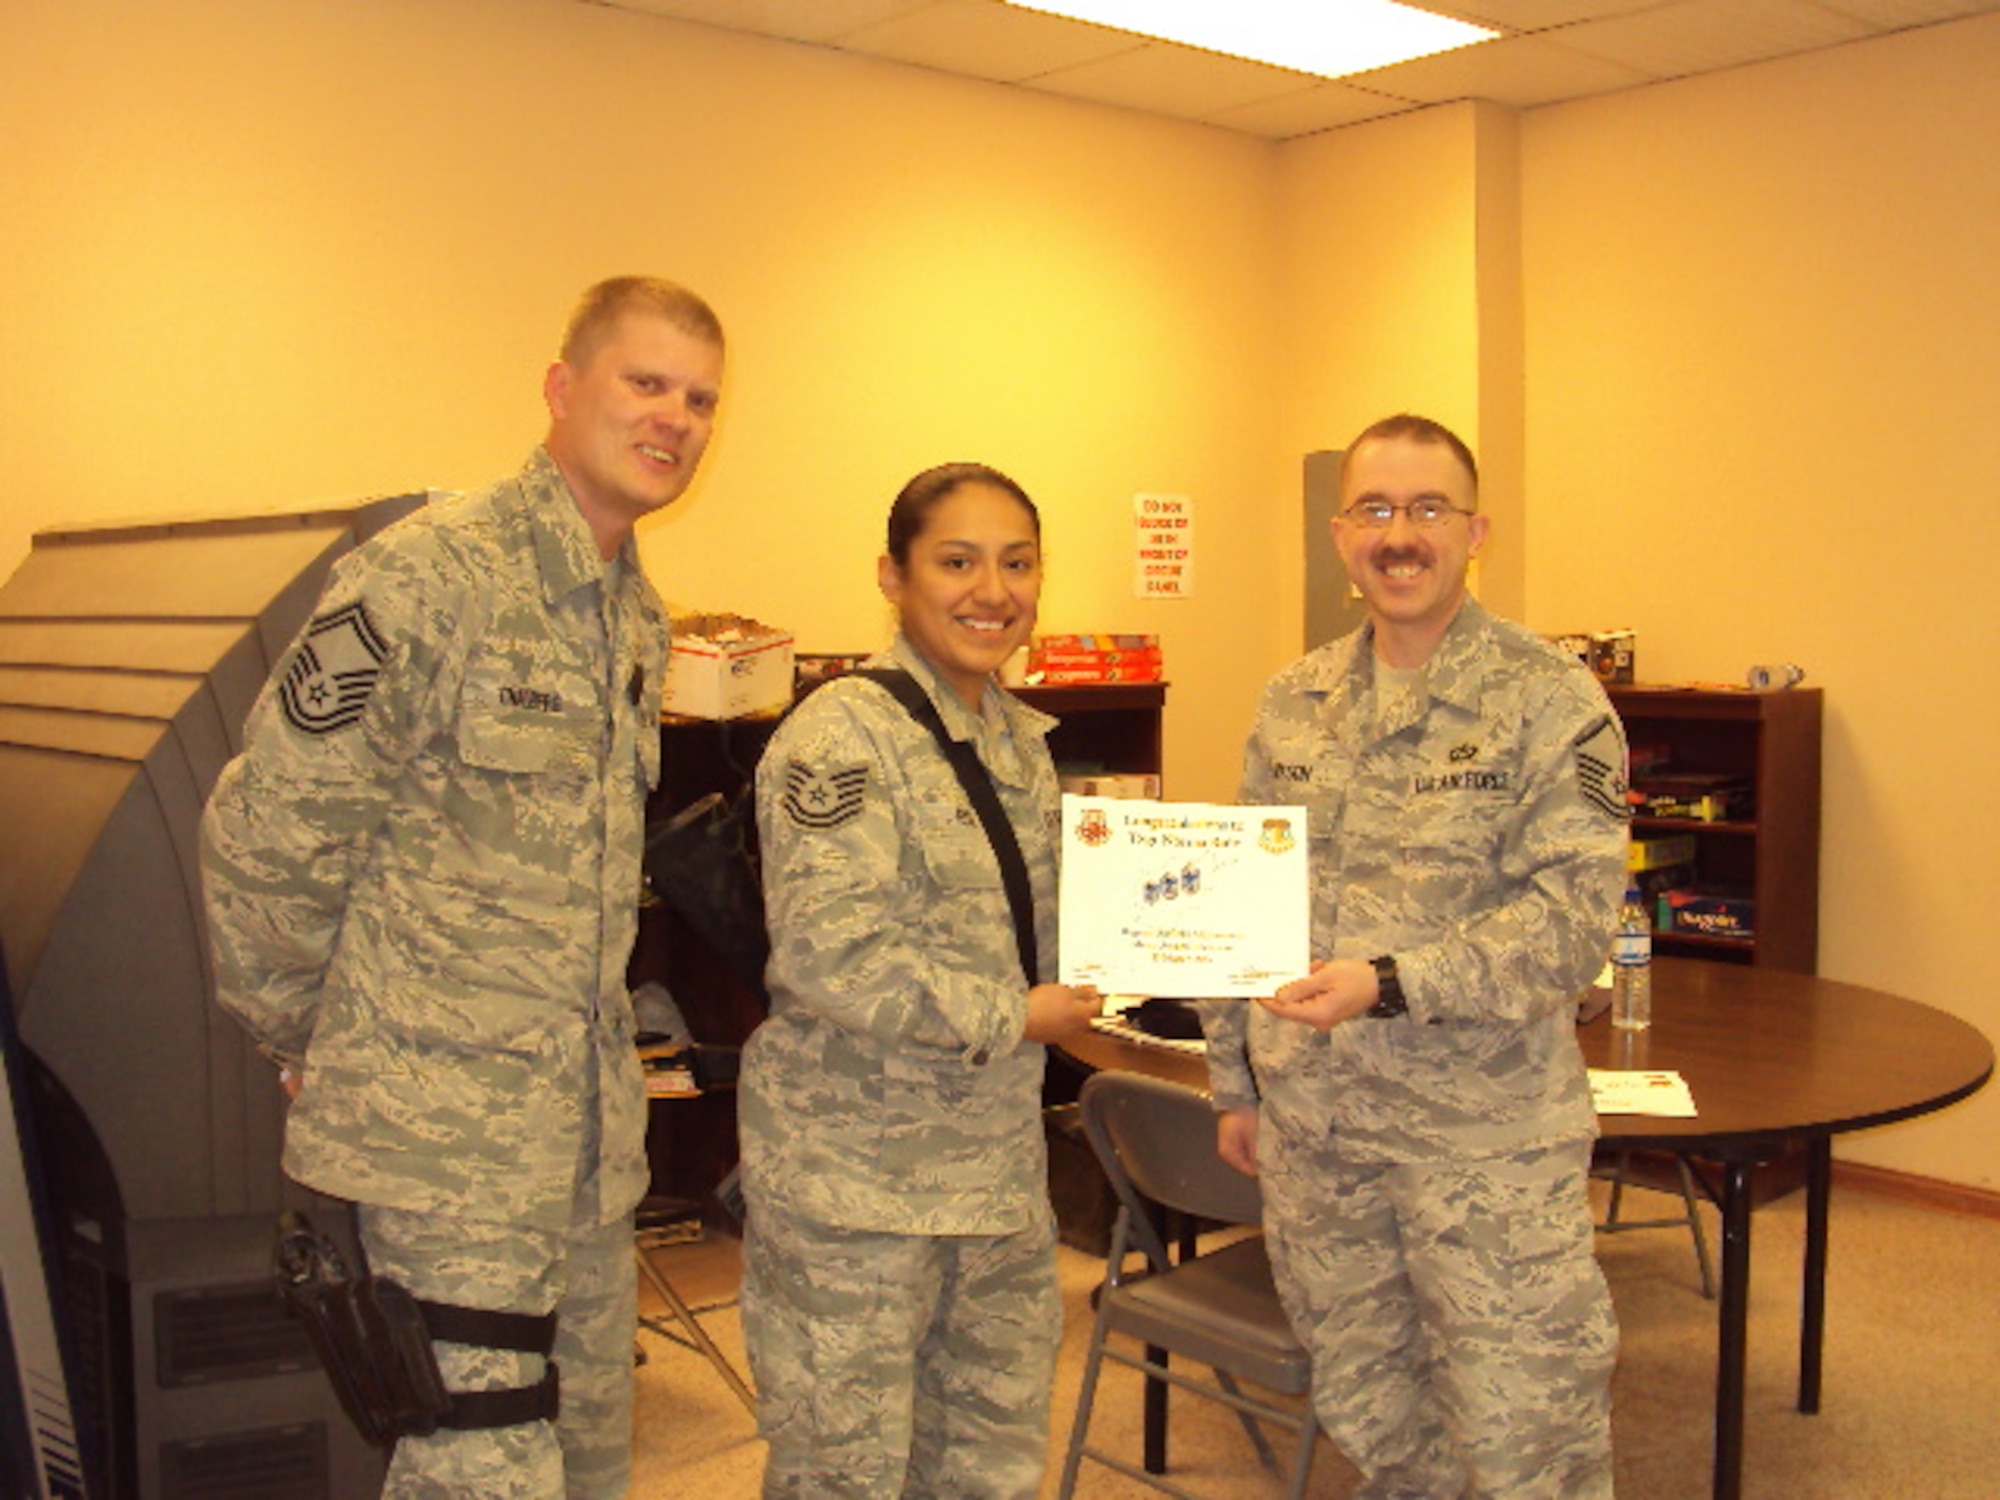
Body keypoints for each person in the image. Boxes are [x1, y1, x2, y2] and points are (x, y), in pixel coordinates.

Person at [201, 275, 726, 1498]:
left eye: (699, 398)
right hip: (443, 1139)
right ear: (559, 389)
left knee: (589, 1456)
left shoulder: (635, 617)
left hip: (585, 1148)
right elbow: (270, 828)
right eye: (644, 382)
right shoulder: (433, 575)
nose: (674, 419)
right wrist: (308, 1029)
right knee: (482, 1473)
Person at [1203, 414, 1629, 1499]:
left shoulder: (1548, 699)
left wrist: (1389, 983)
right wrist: (1231, 1079)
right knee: (1373, 1414)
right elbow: (1239, 901)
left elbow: (1571, 919)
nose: (1401, 534)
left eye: (1427, 509)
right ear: (1342, 536)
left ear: (1473, 531)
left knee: (1522, 1429)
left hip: (1479, 1150)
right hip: (1321, 1139)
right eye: (1376, 511)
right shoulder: (1289, 699)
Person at [736, 462, 1104, 1499]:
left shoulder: (1017, 742)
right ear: (893, 577)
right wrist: (1016, 1014)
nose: (992, 590)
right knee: (842, 1471)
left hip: (990, 1179)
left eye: (1016, 563)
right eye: (957, 561)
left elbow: (1039, 924)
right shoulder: (838, 737)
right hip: (854, 1193)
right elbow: (828, 954)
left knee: (984, 1462)